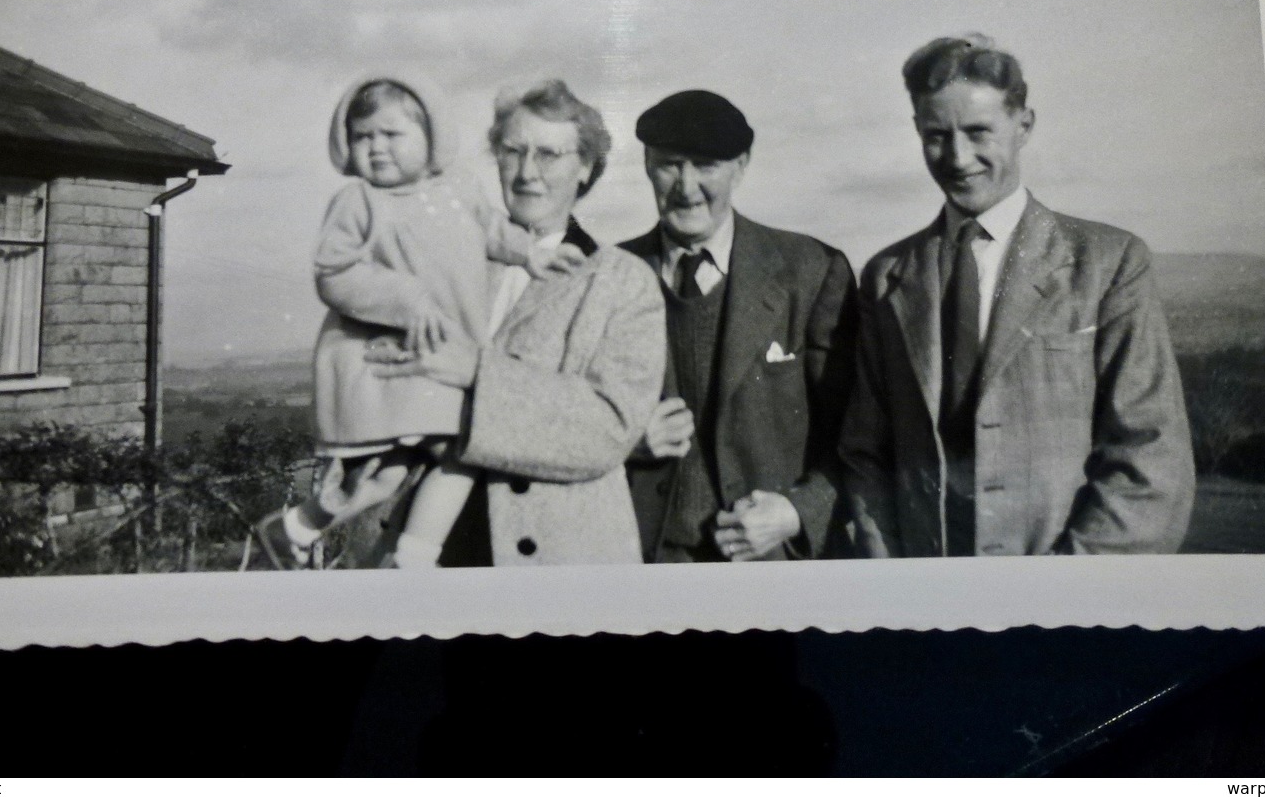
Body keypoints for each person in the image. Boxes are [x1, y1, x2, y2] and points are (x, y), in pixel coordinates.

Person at [840, 35, 1196, 557]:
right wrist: (898, 577)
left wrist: (1060, 591)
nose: (958, 158)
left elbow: (1151, 457)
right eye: (937, 135)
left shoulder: (1109, 262)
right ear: (917, 131)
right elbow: (865, 453)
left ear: (1024, 126)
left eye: (979, 132)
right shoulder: (887, 275)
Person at [253, 73, 581, 570]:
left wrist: (529, 254)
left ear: (431, 136)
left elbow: (493, 230)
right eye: (363, 137)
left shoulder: (459, 190)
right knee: (464, 445)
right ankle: (414, 556)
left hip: (435, 356)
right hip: (385, 359)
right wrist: (407, 297)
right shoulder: (357, 202)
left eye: (391, 134)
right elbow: (333, 272)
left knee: (393, 470)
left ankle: (298, 526)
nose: (376, 149)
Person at [356, 78, 667, 566]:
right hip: (433, 551)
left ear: (586, 168)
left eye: (549, 155)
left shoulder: (621, 281)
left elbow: (608, 429)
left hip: (566, 561)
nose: (526, 173)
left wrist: (478, 374)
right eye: (512, 151)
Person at [619, 90, 859, 562]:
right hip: (641, 568)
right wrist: (625, 439)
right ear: (647, 164)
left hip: (774, 570)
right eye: (670, 164)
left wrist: (794, 512)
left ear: (741, 165)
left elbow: (862, 441)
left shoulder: (811, 272)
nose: (686, 187)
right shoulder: (607, 274)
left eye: (706, 165)